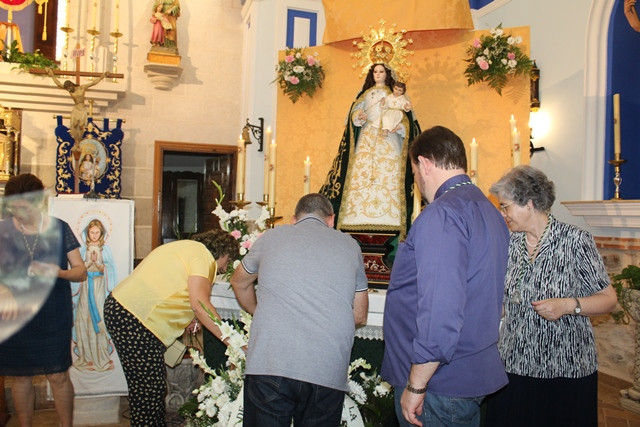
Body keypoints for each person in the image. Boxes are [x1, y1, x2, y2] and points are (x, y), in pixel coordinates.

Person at [381, 126, 510, 427]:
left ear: (424, 164)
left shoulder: (442, 213)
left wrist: (416, 385)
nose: (417, 182)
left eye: (414, 173)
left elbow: (440, 309)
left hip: (440, 383)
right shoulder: (488, 211)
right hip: (469, 371)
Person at [484, 165, 617, 427]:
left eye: (506, 206)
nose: (502, 213)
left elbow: (608, 298)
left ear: (529, 203)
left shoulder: (575, 241)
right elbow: (504, 301)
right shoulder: (510, 243)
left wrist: (568, 305)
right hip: (514, 364)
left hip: (565, 368)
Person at [230, 193, 369, 426]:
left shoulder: (271, 236)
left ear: (294, 219)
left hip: (271, 363)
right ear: (331, 219)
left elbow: (239, 281)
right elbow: (360, 314)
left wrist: (260, 311)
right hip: (326, 369)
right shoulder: (350, 245)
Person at [104, 229, 239, 426]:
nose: (224, 268)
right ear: (224, 252)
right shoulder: (203, 256)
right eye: (228, 261)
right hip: (135, 317)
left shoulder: (184, 248)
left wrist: (190, 316)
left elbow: (172, 288)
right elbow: (200, 304)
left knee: (147, 388)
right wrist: (231, 340)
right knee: (149, 390)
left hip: (124, 310)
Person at [0, 173, 87, 427]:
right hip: (15, 314)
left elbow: (81, 271)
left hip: (53, 313)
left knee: (58, 375)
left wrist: (58, 272)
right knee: (20, 377)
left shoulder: (59, 228)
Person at [319, 63, 420, 239]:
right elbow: (354, 114)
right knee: (361, 175)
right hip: (367, 138)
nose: (378, 74)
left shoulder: (395, 95)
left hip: (388, 139)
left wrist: (399, 128)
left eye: (381, 71)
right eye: (375, 71)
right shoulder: (365, 95)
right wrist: (359, 117)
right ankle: (356, 219)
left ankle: (390, 221)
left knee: (389, 176)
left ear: (387, 74)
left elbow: (406, 120)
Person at [72, 219, 116, 372]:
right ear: (87, 233)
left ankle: (101, 357)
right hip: (85, 286)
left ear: (101, 233)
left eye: (98, 232)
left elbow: (111, 269)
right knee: (84, 318)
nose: (95, 235)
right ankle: (86, 357)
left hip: (99, 287)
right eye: (92, 232)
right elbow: (77, 268)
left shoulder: (105, 249)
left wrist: (98, 264)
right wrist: (87, 263)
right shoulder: (83, 250)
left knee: (100, 319)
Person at [46, 68, 108, 147]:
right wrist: (52, 75)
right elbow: (58, 83)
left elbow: (93, 83)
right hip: (76, 109)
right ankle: (76, 142)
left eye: (69, 88)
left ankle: (79, 140)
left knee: (81, 125)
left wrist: (102, 76)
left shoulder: (82, 88)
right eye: (67, 89)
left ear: (71, 85)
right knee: (74, 125)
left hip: (82, 109)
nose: (68, 89)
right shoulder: (69, 90)